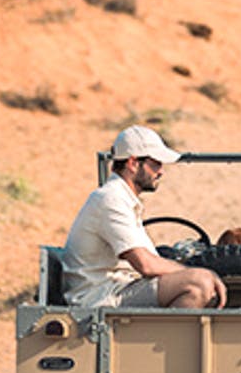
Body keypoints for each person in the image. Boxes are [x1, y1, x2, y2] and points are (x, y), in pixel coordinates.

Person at [60, 126, 227, 309]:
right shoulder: (110, 198)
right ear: (133, 163)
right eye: (156, 163)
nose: (161, 171)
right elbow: (145, 265)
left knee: (197, 281)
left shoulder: (122, 199)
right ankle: (167, 330)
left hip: (118, 288)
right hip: (101, 296)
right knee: (199, 283)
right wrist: (199, 273)